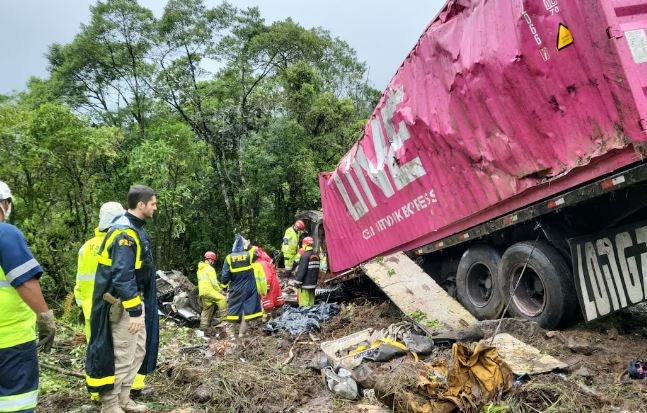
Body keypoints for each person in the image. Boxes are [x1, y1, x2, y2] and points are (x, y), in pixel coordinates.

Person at [85, 185, 159, 413]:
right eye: (153, 204)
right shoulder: (124, 233)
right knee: (122, 354)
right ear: (141, 205)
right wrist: (135, 310)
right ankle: (110, 405)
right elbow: (122, 274)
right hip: (124, 306)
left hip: (135, 302)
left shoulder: (135, 229)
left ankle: (125, 399)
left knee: (137, 351)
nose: (156, 208)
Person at [0, 180, 56, 413]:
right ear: (4, 203)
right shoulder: (6, 234)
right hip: (9, 340)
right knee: (16, 403)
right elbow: (25, 281)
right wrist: (45, 319)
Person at [75, 202, 125, 341]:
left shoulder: (86, 247)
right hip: (116, 311)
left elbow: (79, 283)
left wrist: (82, 305)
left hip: (91, 311)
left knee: (95, 354)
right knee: (117, 357)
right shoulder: (120, 243)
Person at [220, 235, 265, 337]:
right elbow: (258, 253)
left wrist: (224, 286)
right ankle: (241, 333)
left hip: (236, 288)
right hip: (250, 287)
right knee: (247, 310)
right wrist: (249, 246)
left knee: (233, 309)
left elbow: (225, 275)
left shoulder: (229, 258)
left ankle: (231, 335)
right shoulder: (249, 254)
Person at [197, 251, 227, 330]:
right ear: (210, 259)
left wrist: (218, 283)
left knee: (207, 308)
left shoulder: (200, 269)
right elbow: (214, 283)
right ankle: (224, 320)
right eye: (213, 260)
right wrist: (221, 291)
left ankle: (203, 326)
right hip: (209, 290)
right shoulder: (210, 269)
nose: (213, 262)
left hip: (202, 292)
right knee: (222, 299)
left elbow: (209, 280)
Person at [256, 248, 284, 319]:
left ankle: (267, 319)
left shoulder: (262, 263)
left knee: (268, 302)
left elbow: (267, 276)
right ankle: (273, 317)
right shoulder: (264, 262)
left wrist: (267, 286)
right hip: (272, 283)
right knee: (272, 302)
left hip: (269, 285)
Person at [293, 237, 320, 307]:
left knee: (304, 305)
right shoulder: (316, 255)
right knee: (311, 304)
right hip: (312, 284)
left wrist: (297, 282)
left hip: (305, 285)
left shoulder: (304, 256)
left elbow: (302, 271)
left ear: (305, 245)